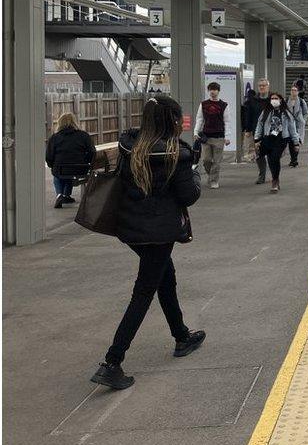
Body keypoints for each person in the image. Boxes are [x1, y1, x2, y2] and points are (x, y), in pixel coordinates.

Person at [90, 96, 205, 390]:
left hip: (131, 229)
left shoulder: (131, 146)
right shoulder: (175, 154)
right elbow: (188, 196)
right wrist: (195, 172)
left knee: (166, 278)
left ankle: (181, 336)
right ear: (173, 121)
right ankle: (112, 362)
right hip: (159, 232)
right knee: (143, 292)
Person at [45, 112, 95, 208]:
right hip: (80, 168)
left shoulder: (55, 137)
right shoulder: (84, 135)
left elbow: (49, 156)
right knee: (69, 172)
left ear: (60, 123)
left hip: (61, 169)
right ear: (74, 122)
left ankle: (59, 194)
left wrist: (52, 165)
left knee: (58, 174)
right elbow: (92, 152)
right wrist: (87, 162)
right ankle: (66, 196)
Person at [254, 92, 301, 193]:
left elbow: (292, 129)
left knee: (275, 158)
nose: (274, 100)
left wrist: (296, 143)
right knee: (271, 160)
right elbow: (259, 125)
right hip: (268, 138)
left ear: (280, 100)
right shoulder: (266, 112)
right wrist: (257, 139)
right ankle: (275, 178)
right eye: (272, 98)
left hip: (281, 139)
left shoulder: (286, 113)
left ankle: (275, 181)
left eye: (276, 98)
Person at [193, 81, 230, 189]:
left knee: (217, 161)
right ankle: (212, 176)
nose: (212, 92)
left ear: (218, 91)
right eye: (211, 89)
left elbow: (227, 121)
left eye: (215, 89)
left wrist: (227, 137)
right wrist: (196, 132)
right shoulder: (203, 104)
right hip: (206, 137)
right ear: (208, 91)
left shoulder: (224, 105)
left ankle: (214, 181)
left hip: (219, 137)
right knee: (206, 160)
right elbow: (199, 119)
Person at [242, 79, 271, 183]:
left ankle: (274, 175)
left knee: (272, 154)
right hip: (257, 131)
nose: (262, 87)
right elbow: (248, 116)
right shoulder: (253, 100)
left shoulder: (273, 99)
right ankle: (262, 175)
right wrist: (248, 129)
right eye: (260, 86)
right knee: (259, 153)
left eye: (264, 85)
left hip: (271, 131)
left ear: (268, 86)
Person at [287, 85, 308, 168]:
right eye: (292, 90)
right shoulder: (286, 100)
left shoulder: (302, 102)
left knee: (297, 142)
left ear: (298, 92)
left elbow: (306, 113)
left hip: (299, 125)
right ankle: (292, 158)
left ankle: (294, 160)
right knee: (290, 143)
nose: (293, 92)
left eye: (295, 90)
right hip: (289, 124)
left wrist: (303, 121)